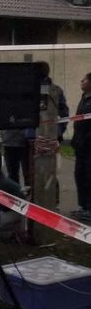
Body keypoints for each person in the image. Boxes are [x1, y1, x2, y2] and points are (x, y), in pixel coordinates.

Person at [71, 72, 91, 221]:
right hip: (80, 146)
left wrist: (86, 140)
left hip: (89, 146)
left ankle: (90, 209)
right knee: (80, 175)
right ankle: (83, 206)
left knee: (89, 177)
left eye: (84, 79)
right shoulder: (84, 98)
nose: (81, 81)